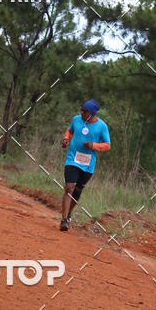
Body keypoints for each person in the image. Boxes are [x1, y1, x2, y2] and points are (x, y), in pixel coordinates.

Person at [60, 99, 110, 231]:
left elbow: (107, 145)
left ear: (92, 113)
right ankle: (64, 220)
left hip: (88, 165)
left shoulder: (102, 126)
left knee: (77, 191)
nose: (81, 112)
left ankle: (69, 213)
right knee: (69, 187)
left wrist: (93, 145)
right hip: (72, 160)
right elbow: (70, 131)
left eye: (84, 111)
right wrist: (66, 139)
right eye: (81, 110)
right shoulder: (76, 119)